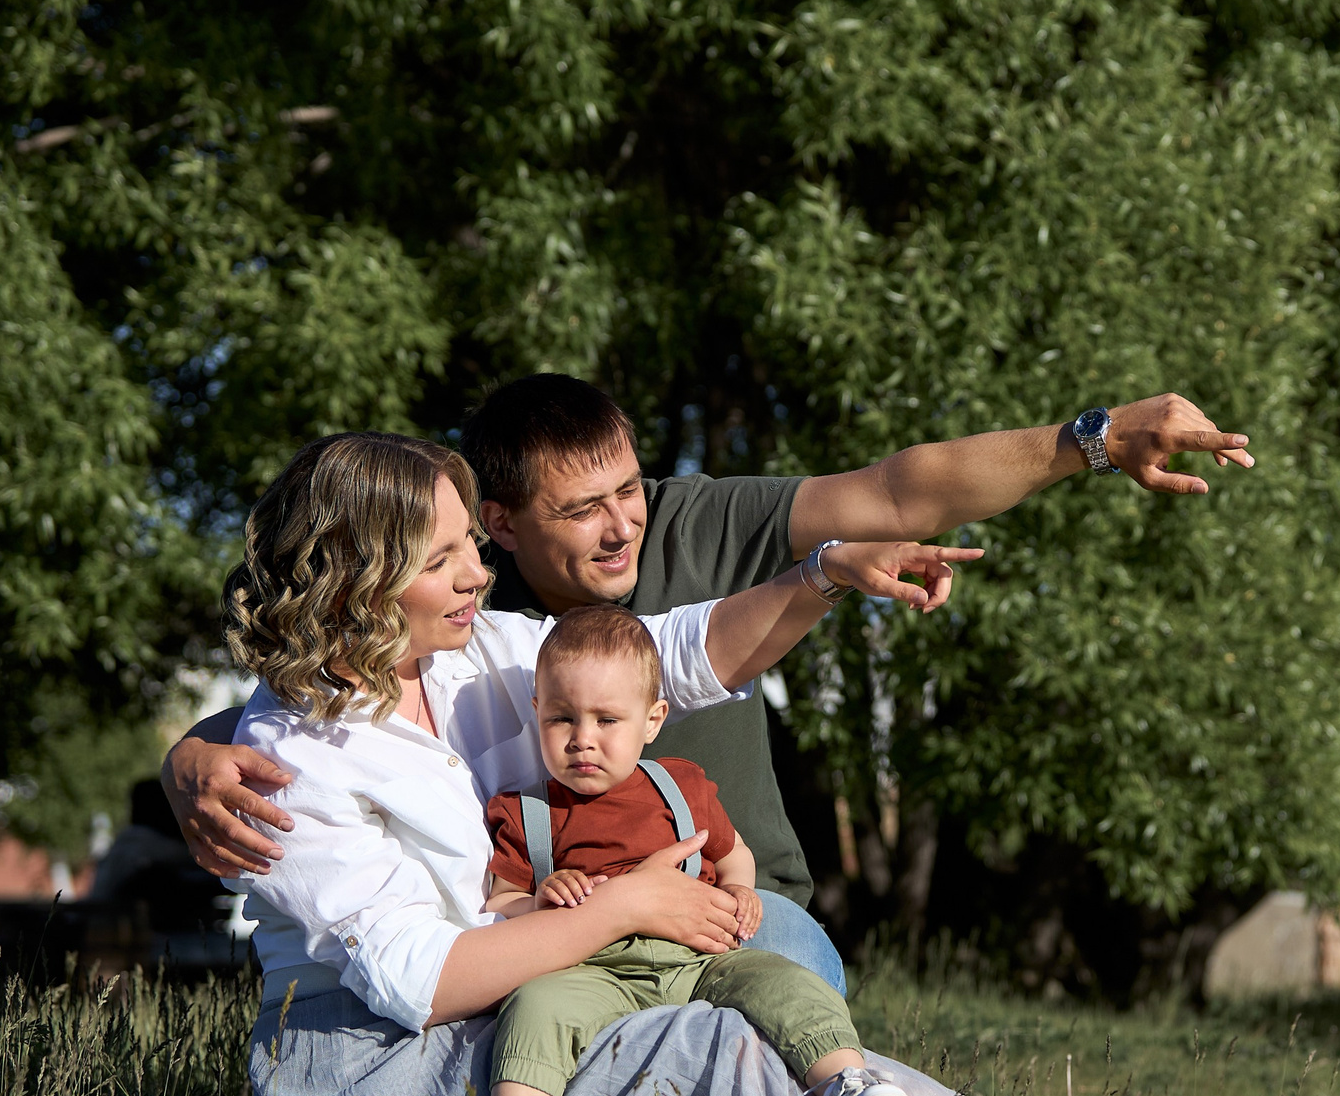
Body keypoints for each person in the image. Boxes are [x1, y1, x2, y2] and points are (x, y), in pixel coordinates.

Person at [224, 429, 1202, 1096]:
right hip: (371, 1066)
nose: (477, 573)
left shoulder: (462, 658)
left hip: (518, 994)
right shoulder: (292, 754)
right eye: (443, 559)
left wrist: (816, 576)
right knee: (730, 1049)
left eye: (470, 547)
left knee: (834, 1056)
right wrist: (625, 906)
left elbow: (664, 653)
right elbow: (416, 979)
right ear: (359, 575)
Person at [165, 379, 1256, 1001]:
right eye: (581, 507)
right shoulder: (466, 624)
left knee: (779, 1014)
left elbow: (897, 489)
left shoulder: (697, 525)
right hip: (557, 921)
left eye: (629, 488)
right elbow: (335, 697)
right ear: (498, 523)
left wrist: (1094, 440)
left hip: (737, 897)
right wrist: (197, 745)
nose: (622, 523)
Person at [467, 604, 916, 1096]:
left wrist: (741, 891)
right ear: (536, 711)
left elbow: (734, 856)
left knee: (782, 980)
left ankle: (847, 1085)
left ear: (653, 720)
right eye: (561, 718)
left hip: (696, 956)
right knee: (536, 1007)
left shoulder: (681, 786)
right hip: (592, 968)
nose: (582, 738)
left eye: (607, 720)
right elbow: (498, 902)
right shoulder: (524, 813)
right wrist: (538, 900)